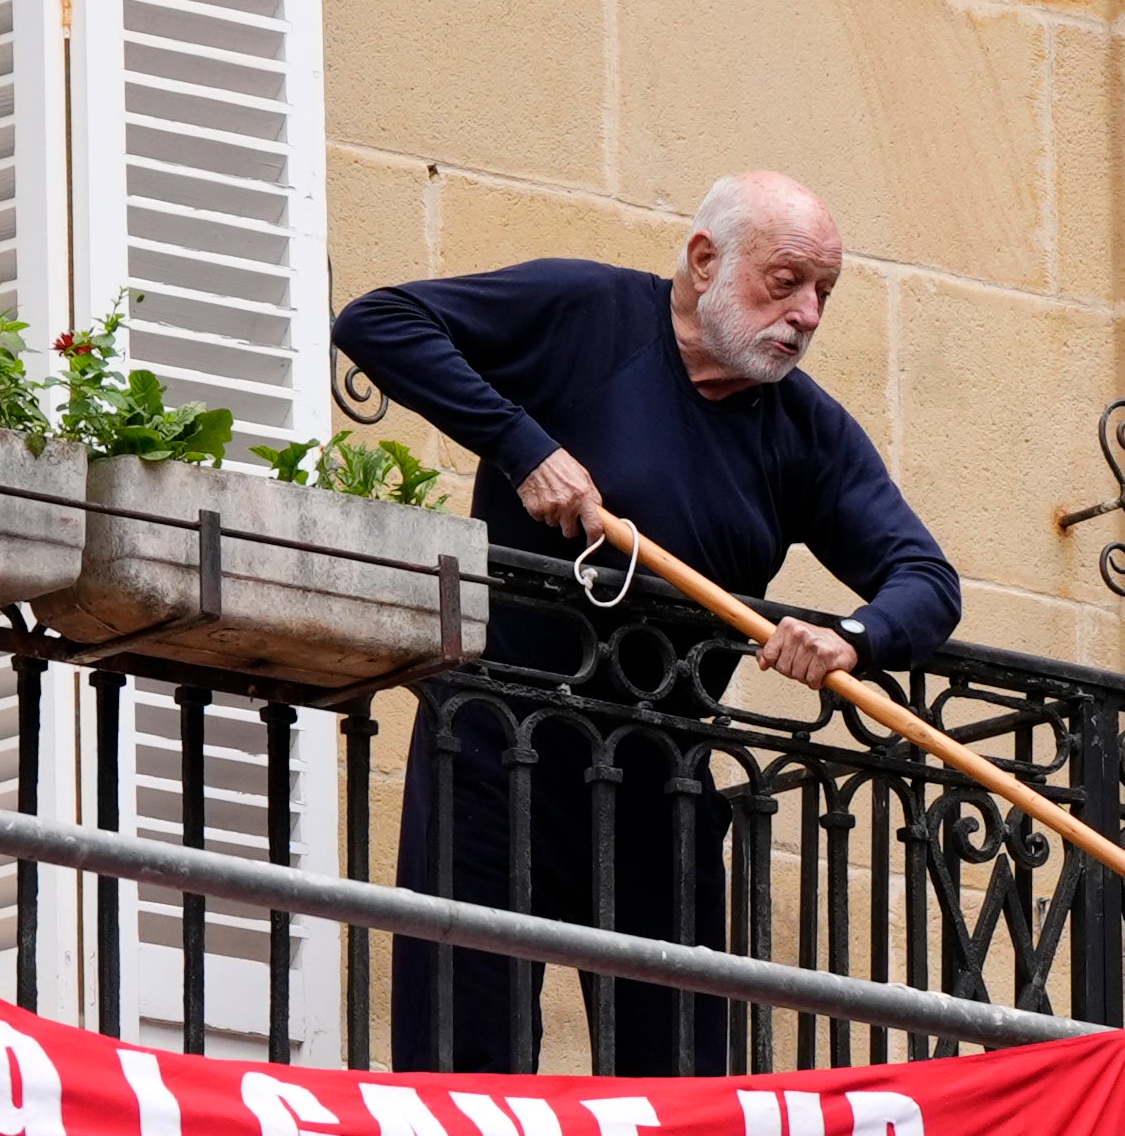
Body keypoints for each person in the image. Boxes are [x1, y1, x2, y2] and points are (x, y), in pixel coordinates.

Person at [332, 171, 963, 1074]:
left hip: (658, 784)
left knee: (676, 1085)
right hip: (491, 751)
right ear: (704, 260)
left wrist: (852, 637)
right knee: (465, 1054)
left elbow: (925, 578)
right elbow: (378, 322)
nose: (810, 313)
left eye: (825, 291)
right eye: (787, 281)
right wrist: (525, 449)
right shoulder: (585, 312)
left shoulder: (806, 431)